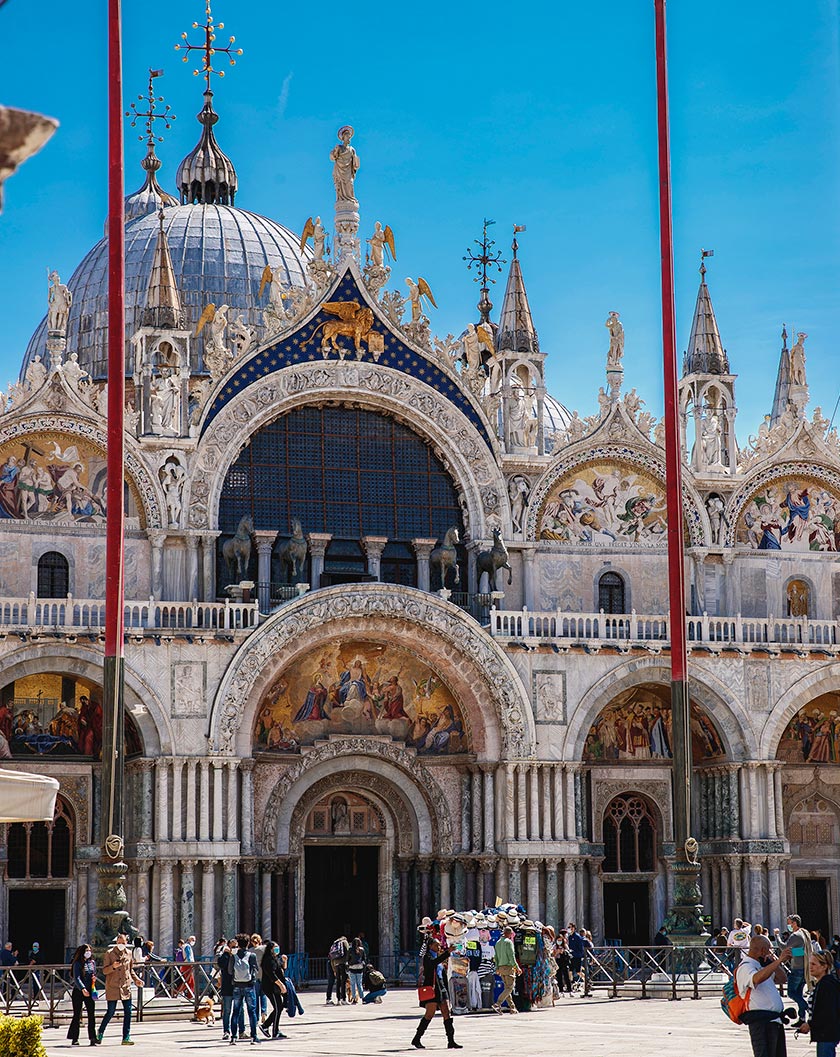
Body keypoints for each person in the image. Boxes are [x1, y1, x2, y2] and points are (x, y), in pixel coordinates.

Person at [736, 934, 792, 1057]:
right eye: (768, 950)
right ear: (762, 950)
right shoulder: (746, 967)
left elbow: (782, 978)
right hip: (761, 1023)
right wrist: (779, 961)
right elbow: (756, 979)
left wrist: (772, 962)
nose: (769, 952)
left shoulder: (762, 966)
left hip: (774, 1021)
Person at [411, 936, 461, 1050]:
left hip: (441, 988)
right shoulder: (427, 957)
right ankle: (417, 1038)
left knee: (446, 1012)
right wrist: (447, 953)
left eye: (439, 945)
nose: (439, 947)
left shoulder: (438, 958)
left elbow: (441, 973)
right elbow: (432, 964)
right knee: (429, 1014)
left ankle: (451, 1040)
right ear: (430, 946)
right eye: (436, 945)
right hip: (433, 989)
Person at [97, 933, 143, 1046]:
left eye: (123, 942)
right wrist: (113, 967)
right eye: (119, 942)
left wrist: (136, 980)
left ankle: (126, 1037)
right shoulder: (109, 953)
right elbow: (104, 971)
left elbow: (130, 970)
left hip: (125, 986)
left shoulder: (129, 953)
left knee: (128, 1012)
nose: (121, 944)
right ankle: (100, 1032)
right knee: (110, 1012)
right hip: (113, 986)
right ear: (116, 942)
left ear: (126, 943)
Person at [800, 949, 840, 1056]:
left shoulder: (826, 985)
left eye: (813, 964)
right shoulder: (825, 983)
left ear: (824, 966)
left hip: (825, 1033)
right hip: (826, 1032)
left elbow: (826, 1011)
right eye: (810, 964)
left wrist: (810, 1024)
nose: (810, 967)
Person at [782, 913, 813, 1025]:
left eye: (789, 923)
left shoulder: (795, 936)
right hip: (804, 967)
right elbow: (801, 952)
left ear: (794, 923)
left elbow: (784, 947)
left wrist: (776, 936)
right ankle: (802, 1019)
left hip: (797, 969)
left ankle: (808, 1008)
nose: (788, 925)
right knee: (799, 993)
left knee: (791, 992)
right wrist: (793, 954)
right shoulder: (804, 934)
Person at [229, 932, 260, 1045]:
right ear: (248, 944)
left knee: (236, 1011)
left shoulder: (234, 956)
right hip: (249, 986)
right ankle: (254, 1037)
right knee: (252, 1012)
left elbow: (229, 971)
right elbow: (256, 969)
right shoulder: (251, 955)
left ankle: (233, 1037)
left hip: (237, 986)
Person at [67, 943, 98, 1047]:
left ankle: (92, 1038)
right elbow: (77, 978)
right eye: (86, 950)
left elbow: (94, 973)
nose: (88, 952)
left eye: (89, 950)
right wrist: (82, 988)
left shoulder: (92, 962)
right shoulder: (77, 963)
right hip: (79, 991)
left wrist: (94, 979)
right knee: (77, 1015)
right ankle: (74, 1038)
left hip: (90, 990)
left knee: (91, 1014)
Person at [217, 937, 245, 1042]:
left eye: (236, 946)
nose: (234, 948)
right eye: (232, 946)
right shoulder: (224, 956)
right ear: (228, 946)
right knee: (227, 1010)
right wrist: (226, 954)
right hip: (227, 986)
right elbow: (220, 965)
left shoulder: (240, 955)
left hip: (238, 986)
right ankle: (226, 1031)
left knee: (240, 1010)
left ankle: (241, 1031)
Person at [259, 940, 288, 1040]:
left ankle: (267, 1026)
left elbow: (281, 971)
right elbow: (272, 975)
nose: (277, 949)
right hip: (270, 987)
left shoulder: (275, 959)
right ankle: (273, 1030)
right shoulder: (268, 960)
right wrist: (281, 985)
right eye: (275, 947)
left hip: (275, 987)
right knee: (278, 1007)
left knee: (279, 1007)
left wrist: (285, 962)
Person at [493, 925, 521, 1015]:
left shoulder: (497, 943)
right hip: (508, 968)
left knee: (507, 988)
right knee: (510, 987)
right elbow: (511, 956)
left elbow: (496, 957)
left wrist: (497, 968)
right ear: (509, 934)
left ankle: (512, 1008)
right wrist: (517, 967)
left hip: (501, 968)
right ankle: (498, 1003)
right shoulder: (508, 942)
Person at [566, 922, 590, 990]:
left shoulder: (577, 937)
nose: (569, 929)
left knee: (578, 971)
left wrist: (578, 954)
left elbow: (580, 947)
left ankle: (587, 981)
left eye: (570, 927)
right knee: (570, 971)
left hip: (577, 956)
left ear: (573, 928)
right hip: (571, 956)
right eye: (568, 927)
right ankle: (570, 984)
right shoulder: (570, 937)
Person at [328, 935, 349, 1004]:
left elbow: (331, 957)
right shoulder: (345, 942)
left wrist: (334, 968)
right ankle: (343, 999)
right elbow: (347, 953)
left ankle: (338, 1000)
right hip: (342, 964)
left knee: (338, 982)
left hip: (336, 964)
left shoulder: (335, 943)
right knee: (343, 982)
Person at [348, 938, 366, 1004]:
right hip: (360, 967)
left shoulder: (350, 949)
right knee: (359, 984)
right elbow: (364, 958)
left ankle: (354, 998)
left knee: (353, 984)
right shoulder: (362, 949)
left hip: (352, 967)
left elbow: (348, 958)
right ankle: (363, 998)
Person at [553, 930, 572, 995]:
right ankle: (561, 990)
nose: (559, 942)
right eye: (558, 940)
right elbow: (552, 955)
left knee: (566, 976)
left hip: (564, 961)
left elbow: (569, 952)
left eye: (560, 940)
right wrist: (556, 952)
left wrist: (564, 951)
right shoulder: (555, 946)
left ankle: (570, 989)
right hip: (558, 961)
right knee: (559, 976)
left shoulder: (565, 945)